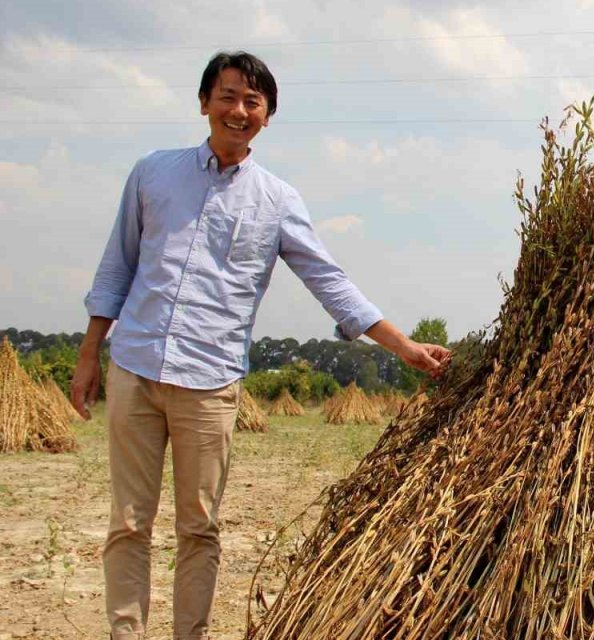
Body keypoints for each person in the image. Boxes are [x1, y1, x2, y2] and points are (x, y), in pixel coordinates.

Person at [68, 51, 452, 640]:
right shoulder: (152, 173)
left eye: (254, 102)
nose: (239, 110)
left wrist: (401, 346)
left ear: (268, 117)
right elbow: (116, 266)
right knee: (128, 522)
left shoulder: (276, 201)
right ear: (204, 103)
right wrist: (91, 353)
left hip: (210, 382)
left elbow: (330, 281)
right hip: (136, 369)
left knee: (198, 527)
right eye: (227, 97)